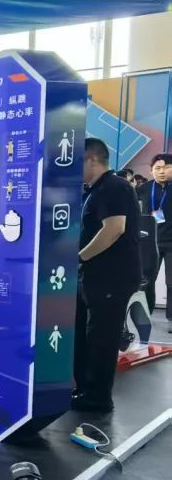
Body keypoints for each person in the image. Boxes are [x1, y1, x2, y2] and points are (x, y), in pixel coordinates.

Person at [73, 138, 141, 413]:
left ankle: (98, 397)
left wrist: (79, 257)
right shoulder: (93, 190)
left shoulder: (115, 187)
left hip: (112, 276)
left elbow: (114, 229)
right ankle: (85, 388)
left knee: (102, 337)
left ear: (92, 159)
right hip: (93, 275)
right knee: (86, 334)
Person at [139, 153, 172, 326]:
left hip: (171, 242)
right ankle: (145, 312)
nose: (162, 171)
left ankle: (171, 318)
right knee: (147, 279)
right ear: (151, 170)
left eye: (167, 167)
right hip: (150, 241)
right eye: (157, 168)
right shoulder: (143, 188)